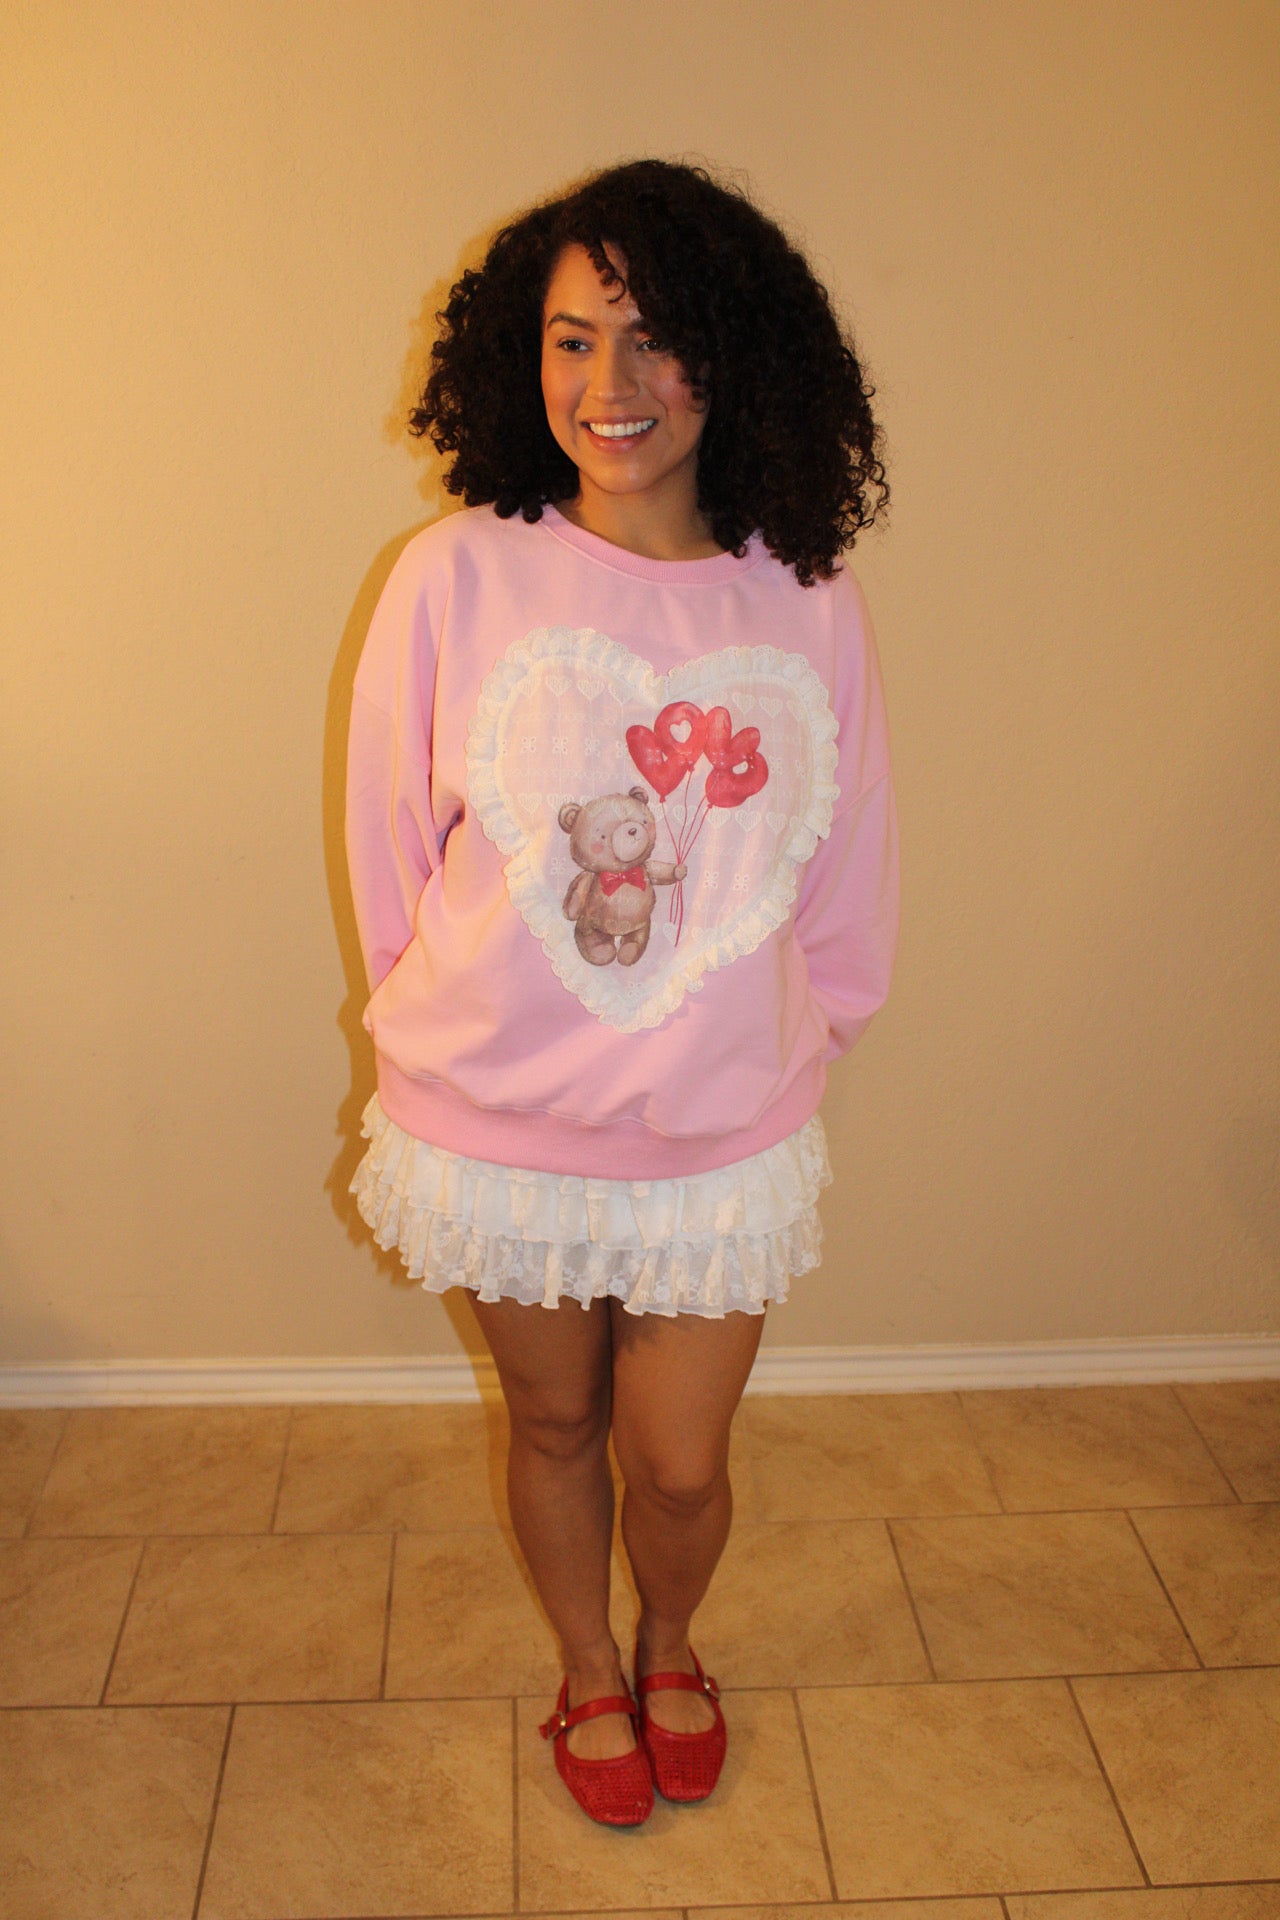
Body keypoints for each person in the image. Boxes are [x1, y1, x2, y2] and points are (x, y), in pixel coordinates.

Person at [345, 157, 899, 1827]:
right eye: (573, 339)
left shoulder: (804, 600)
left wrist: (780, 1046)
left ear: (734, 352)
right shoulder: (454, 573)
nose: (611, 384)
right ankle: (590, 1667)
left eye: (655, 336)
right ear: (523, 360)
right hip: (495, 1127)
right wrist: (455, 1032)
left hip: (716, 1135)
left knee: (680, 1459)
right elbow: (390, 851)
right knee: (553, 1422)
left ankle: (671, 1639)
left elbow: (847, 868)